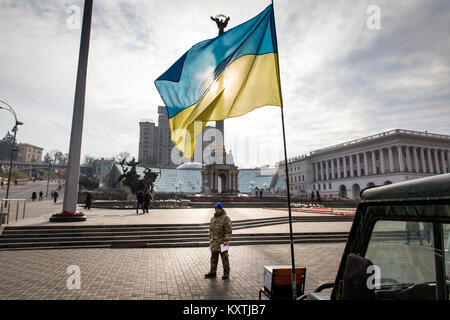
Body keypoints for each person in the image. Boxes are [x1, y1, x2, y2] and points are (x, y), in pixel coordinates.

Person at [204, 202, 232, 280]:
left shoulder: (226, 218)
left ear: (221, 209)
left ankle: (226, 273)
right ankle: (212, 272)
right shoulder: (213, 218)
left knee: (225, 259)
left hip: (222, 243)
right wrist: (210, 239)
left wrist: (226, 240)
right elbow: (211, 230)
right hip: (214, 243)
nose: (216, 210)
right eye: (215, 209)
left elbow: (228, 230)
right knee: (213, 258)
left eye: (218, 209)